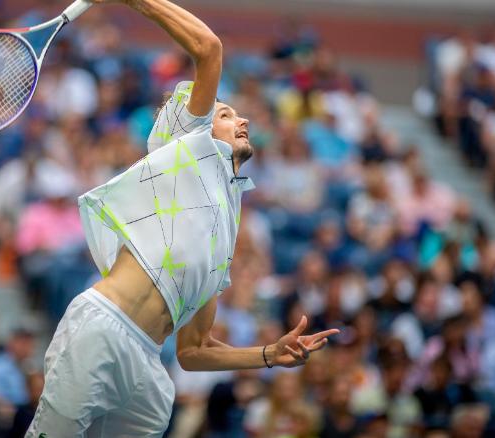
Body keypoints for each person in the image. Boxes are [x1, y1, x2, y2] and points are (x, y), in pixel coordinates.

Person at [26, 0, 339, 436]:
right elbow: (208, 48)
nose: (242, 118)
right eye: (225, 115)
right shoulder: (183, 151)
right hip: (104, 330)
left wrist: (268, 354)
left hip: (149, 367)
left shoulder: (225, 230)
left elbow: (194, 350)